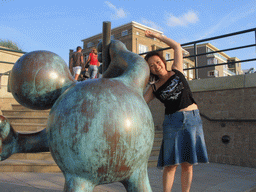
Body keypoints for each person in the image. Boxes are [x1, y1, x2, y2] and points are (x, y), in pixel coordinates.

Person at [143, 30, 208, 192]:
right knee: (170, 164)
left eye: (157, 62)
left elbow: (177, 47)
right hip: (172, 123)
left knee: (187, 164)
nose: (156, 66)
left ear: (162, 61)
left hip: (193, 120)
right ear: (150, 70)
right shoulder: (154, 87)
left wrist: (157, 36)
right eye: (151, 66)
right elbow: (141, 102)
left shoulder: (177, 70)